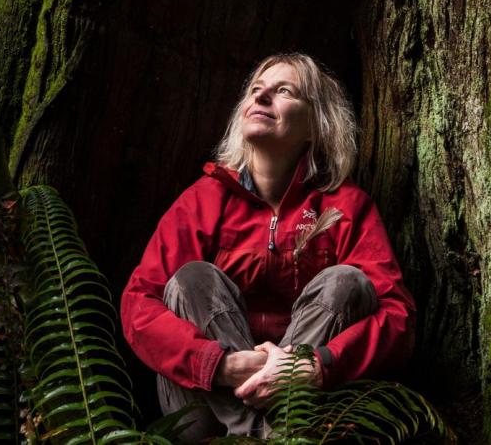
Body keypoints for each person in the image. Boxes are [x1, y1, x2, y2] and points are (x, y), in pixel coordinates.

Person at [120, 53, 415, 441]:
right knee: (192, 278)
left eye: (283, 92)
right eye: (256, 90)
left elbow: (397, 316)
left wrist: (317, 365)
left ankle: (263, 435)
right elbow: (138, 303)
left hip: (307, 402)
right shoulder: (203, 200)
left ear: (316, 124)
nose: (260, 99)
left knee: (346, 282)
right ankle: (270, 438)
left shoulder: (346, 206)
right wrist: (219, 363)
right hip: (203, 409)